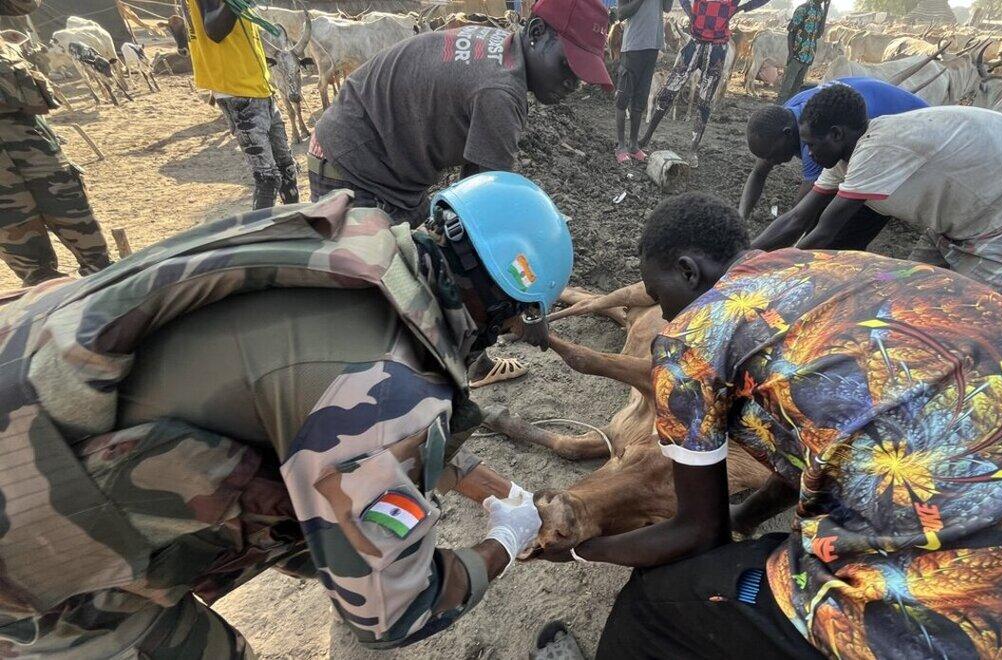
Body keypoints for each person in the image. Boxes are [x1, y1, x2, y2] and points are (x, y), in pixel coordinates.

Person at [0, 172, 574, 656]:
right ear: (503, 303)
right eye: (518, 319)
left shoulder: (358, 242)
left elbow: (346, 424)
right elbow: (396, 613)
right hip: (31, 538)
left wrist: (498, 490)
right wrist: (504, 541)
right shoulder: (389, 387)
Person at [551, 192, 1002, 659]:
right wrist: (749, 515)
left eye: (661, 295)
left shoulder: (694, 336)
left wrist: (580, 552)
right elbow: (818, 438)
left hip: (992, 616)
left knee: (658, 600)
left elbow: (698, 535)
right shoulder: (846, 269)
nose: (665, 312)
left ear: (687, 270)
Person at [310, 0, 613, 223]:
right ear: (536, 31)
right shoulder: (501, 93)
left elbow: (472, 192)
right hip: (352, 165)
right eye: (568, 66)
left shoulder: (501, 47)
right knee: (392, 284)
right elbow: (482, 205)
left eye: (581, 75)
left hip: (380, 160)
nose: (573, 84)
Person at [754, 84, 1002, 300]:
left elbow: (824, 233)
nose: (807, 153)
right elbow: (796, 219)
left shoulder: (877, 150)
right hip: (963, 208)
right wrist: (744, 256)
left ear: (836, 134)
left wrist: (774, 278)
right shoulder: (844, 157)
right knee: (908, 294)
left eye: (810, 144)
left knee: (978, 312)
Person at [739, 77, 927, 250]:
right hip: (878, 130)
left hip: (913, 145)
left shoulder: (817, 140)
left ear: (788, 134)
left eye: (771, 156)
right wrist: (740, 223)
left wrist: (758, 259)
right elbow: (761, 176)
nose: (770, 162)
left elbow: (801, 220)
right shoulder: (787, 120)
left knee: (839, 239)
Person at [0, 0, 111, 286]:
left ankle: (104, 277)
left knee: (69, 203)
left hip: (20, 122)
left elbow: (24, 4)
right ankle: (47, 290)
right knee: (23, 247)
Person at [186, 0, 298, 209]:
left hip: (259, 87)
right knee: (268, 178)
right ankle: (260, 229)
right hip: (237, 91)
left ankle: (296, 224)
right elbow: (214, 30)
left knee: (287, 169)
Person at [638, 0, 770, 166]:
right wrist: (689, 11)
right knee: (668, 92)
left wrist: (741, 8)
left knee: (704, 103)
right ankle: (646, 137)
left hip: (717, 48)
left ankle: (693, 150)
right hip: (696, 42)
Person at [612, 0, 671, 164]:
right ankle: (621, 146)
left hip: (652, 47)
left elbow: (667, 8)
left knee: (640, 100)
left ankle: (633, 145)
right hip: (633, 47)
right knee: (623, 98)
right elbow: (621, 13)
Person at [779, 0, 825, 103]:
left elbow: (819, 34)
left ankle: (789, 109)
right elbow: (791, 32)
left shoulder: (821, 11)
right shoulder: (803, 8)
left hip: (808, 56)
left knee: (796, 89)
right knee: (786, 87)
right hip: (797, 54)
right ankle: (778, 109)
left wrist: (826, 9)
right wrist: (791, 54)